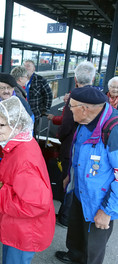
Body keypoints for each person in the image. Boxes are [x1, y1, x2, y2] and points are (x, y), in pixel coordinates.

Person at [55, 86, 118, 264]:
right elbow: (79, 152)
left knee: (93, 249)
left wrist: (107, 211)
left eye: (70, 107)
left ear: (84, 108)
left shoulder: (114, 130)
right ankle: (74, 256)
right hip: (79, 191)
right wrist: (70, 176)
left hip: (100, 202)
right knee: (76, 234)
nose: (67, 110)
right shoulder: (85, 122)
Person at [0, 96, 55, 264]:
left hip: (23, 232)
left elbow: (36, 204)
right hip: (19, 227)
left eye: (0, 125)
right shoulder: (22, 142)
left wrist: (1, 197)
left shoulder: (24, 159)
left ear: (17, 125)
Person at [54, 61, 97, 227]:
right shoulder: (98, 98)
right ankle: (74, 216)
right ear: (93, 78)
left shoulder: (75, 96)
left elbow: (66, 125)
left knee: (68, 180)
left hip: (71, 147)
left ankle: (65, 217)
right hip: (90, 149)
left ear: (75, 79)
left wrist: (60, 137)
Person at [0, 73, 33, 202]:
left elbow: (29, 127)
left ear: (14, 87)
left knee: (10, 183)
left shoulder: (22, 104)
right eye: (2, 88)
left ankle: (4, 209)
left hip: (13, 154)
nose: (6, 91)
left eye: (9, 87)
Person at [23, 60, 53, 135]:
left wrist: (44, 110)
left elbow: (48, 95)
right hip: (22, 113)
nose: (26, 68)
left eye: (28, 66)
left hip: (34, 113)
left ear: (34, 69)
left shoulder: (40, 80)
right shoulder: (20, 80)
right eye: (24, 66)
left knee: (32, 133)